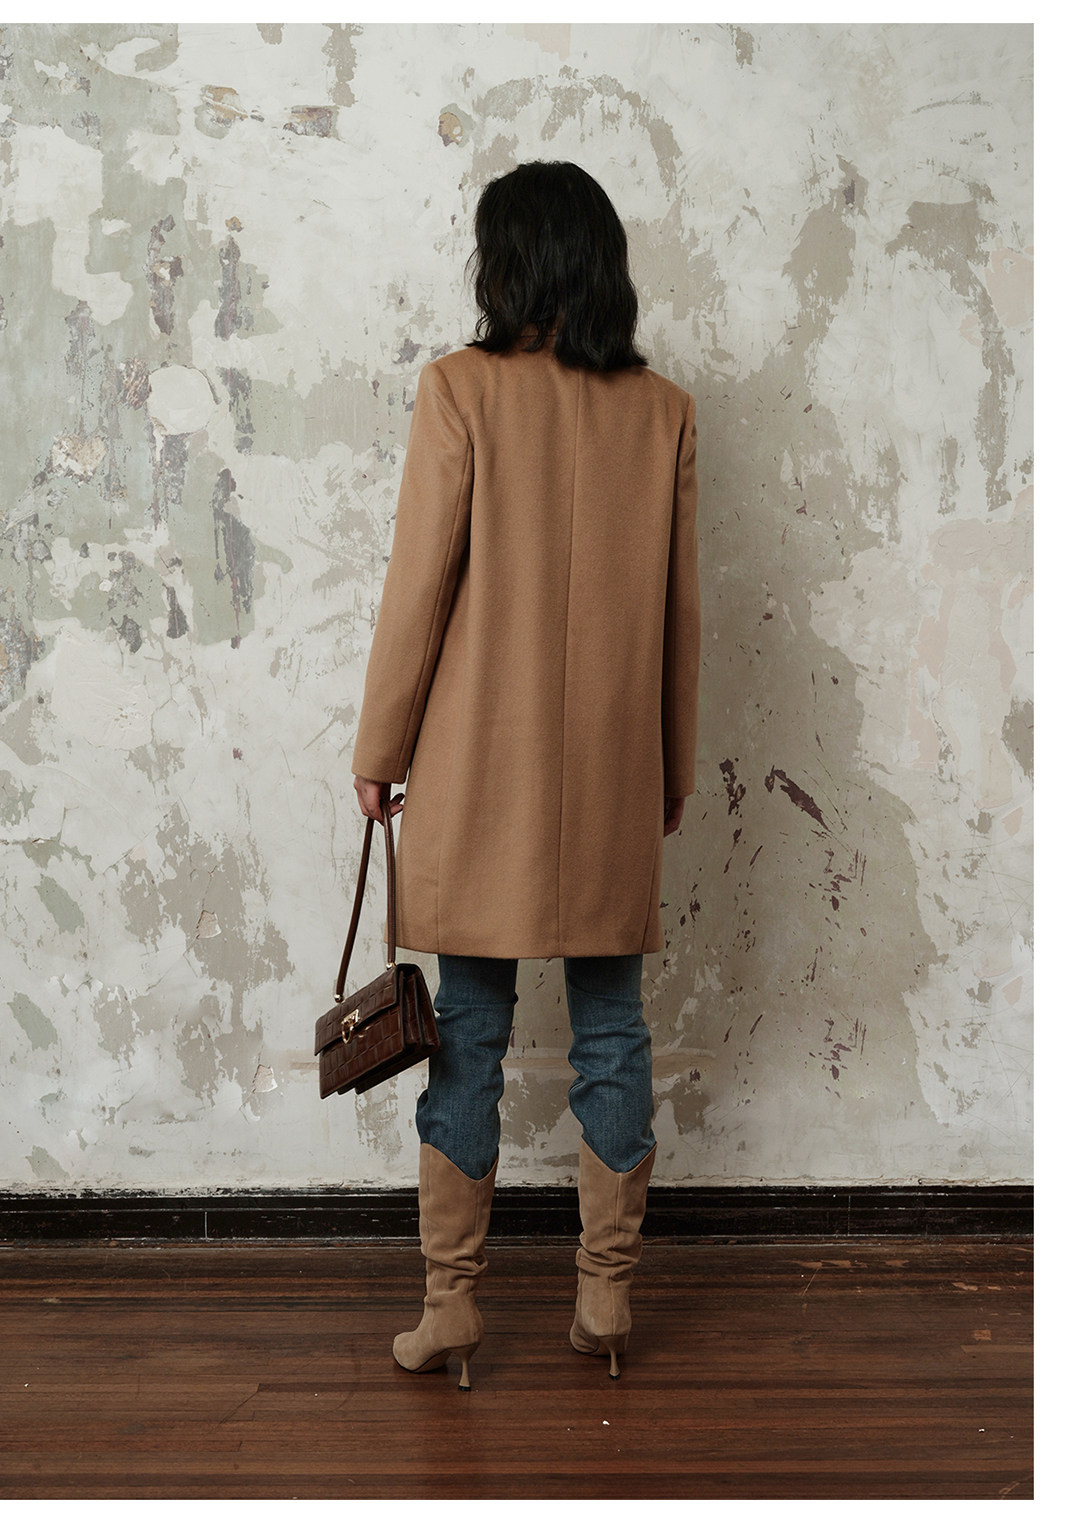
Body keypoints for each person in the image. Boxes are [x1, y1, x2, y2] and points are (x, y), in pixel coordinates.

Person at [351, 160, 699, 1388]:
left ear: (508, 264)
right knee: (614, 1028)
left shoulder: (459, 389)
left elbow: (420, 588)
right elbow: (681, 612)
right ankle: (605, 1294)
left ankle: (451, 1304)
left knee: (470, 1031)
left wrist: (380, 751)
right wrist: (670, 761)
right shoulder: (662, 410)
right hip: (612, 767)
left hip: (478, 766)